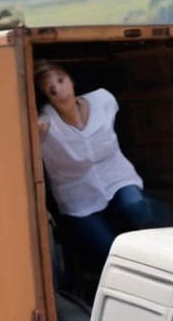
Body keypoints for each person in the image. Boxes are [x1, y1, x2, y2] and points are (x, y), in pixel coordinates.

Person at [35, 61, 154, 270]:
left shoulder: (102, 100)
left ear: (71, 80)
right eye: (51, 89)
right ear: (47, 97)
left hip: (115, 176)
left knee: (135, 207)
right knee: (110, 256)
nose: (59, 89)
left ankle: (153, 248)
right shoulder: (46, 123)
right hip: (78, 197)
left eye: (61, 81)